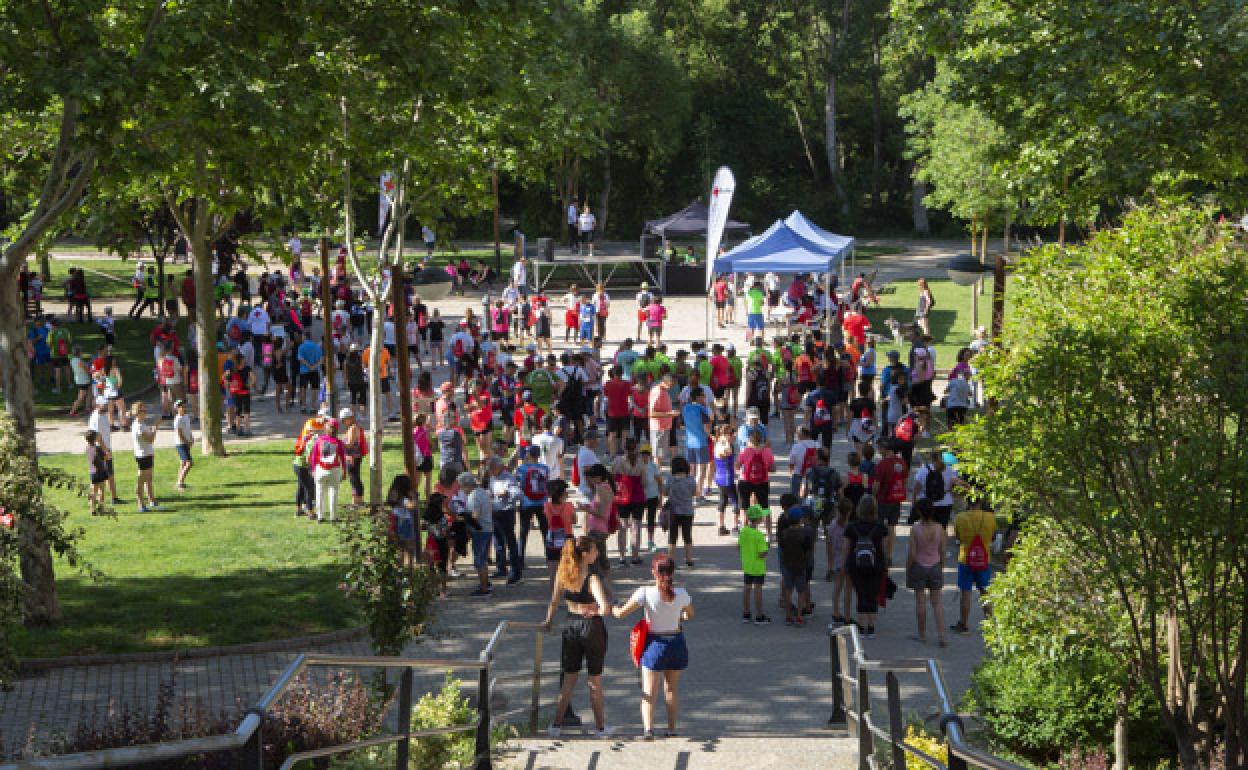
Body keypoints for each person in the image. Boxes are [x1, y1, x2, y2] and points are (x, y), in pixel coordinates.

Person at [612, 554, 694, 739]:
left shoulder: (645, 593)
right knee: (671, 689)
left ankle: (648, 729)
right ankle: (672, 728)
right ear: (673, 573)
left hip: (654, 643)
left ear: (653, 573)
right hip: (676, 642)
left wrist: (614, 607)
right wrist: (678, 617)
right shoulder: (681, 594)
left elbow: (622, 614)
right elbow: (690, 614)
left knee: (649, 690)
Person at [544, 536, 613, 738]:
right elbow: (605, 608)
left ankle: (556, 725)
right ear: (584, 554)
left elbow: (553, 602)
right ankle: (600, 727)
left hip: (571, 625)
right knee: (595, 679)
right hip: (591, 627)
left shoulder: (563, 574)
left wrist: (548, 621)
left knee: (569, 678)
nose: (597, 553)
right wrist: (596, 611)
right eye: (593, 550)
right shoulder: (592, 578)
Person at [952, 494, 996, 635]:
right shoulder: (990, 518)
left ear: (967, 502)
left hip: (966, 559)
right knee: (985, 591)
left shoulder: (960, 517)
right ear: (980, 501)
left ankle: (963, 623)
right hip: (984, 558)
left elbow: (957, 537)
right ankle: (990, 623)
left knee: (966, 591)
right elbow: (993, 536)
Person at [906, 499, 948, 646]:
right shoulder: (940, 528)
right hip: (935, 565)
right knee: (937, 603)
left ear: (919, 511)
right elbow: (943, 550)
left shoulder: (915, 528)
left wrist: (908, 567)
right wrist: (941, 565)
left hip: (919, 565)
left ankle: (922, 634)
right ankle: (942, 636)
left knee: (920, 602)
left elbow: (912, 552)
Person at [844, 495, 887, 638]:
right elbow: (884, 548)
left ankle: (861, 627)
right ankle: (871, 626)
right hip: (876, 565)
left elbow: (846, 548)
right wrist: (885, 565)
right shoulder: (880, 528)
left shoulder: (851, 527)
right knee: (872, 594)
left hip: (856, 565)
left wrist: (846, 564)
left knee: (861, 593)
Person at [777, 503, 816, 626]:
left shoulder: (784, 533)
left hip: (788, 565)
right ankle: (799, 616)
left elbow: (781, 547)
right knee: (801, 591)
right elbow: (808, 549)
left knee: (788, 590)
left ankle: (788, 616)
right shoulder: (804, 534)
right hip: (801, 566)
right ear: (800, 519)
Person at [872, 440, 909, 564]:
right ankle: (889, 555)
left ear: (885, 448)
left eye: (879, 448)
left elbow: (876, 485)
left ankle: (881, 554)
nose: (878, 451)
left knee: (881, 527)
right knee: (892, 527)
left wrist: (873, 496)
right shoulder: (902, 462)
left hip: (883, 499)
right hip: (896, 498)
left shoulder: (882, 464)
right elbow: (904, 481)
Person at [516, 445, 551, 576]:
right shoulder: (545, 468)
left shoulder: (522, 469)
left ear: (529, 455)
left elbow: (519, 484)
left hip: (526, 502)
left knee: (523, 532)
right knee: (545, 531)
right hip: (542, 503)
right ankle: (549, 557)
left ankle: (520, 559)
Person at [611, 439, 647, 565]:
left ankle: (622, 556)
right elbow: (644, 481)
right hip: (637, 496)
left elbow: (612, 476)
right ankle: (635, 556)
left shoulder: (618, 460)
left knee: (622, 526)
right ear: (636, 449)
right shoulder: (641, 462)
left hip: (622, 496)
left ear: (624, 448)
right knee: (636, 526)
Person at [460, 472, 495, 597]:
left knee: (479, 560)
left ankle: (484, 588)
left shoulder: (473, 496)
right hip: (488, 529)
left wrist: (464, 520)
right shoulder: (482, 492)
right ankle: (486, 583)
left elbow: (474, 516)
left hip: (480, 531)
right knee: (484, 558)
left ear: (466, 486)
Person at [735, 429, 775, 538]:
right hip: (762, 482)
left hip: (745, 481)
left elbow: (737, 466)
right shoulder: (767, 451)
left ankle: (745, 532)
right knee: (765, 508)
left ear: (749, 439)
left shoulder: (745, 451)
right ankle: (769, 534)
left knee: (744, 507)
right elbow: (773, 468)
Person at [739, 504, 771, 624]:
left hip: (747, 565)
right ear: (758, 519)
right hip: (758, 567)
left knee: (747, 589)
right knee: (758, 590)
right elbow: (762, 553)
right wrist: (767, 546)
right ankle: (759, 615)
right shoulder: (759, 535)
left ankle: (746, 613)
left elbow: (738, 546)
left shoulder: (743, 531)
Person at [662, 455, 697, 567]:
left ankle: (671, 560)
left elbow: (665, 493)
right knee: (687, 536)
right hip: (687, 511)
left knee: (672, 537)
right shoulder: (691, 479)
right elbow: (695, 493)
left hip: (674, 512)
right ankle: (689, 559)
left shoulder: (670, 479)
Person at [309, 418, 346, 522]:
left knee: (319, 493)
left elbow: (314, 456)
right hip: (334, 469)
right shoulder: (338, 443)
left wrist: (313, 469)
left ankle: (320, 516)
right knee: (333, 493)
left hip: (321, 469)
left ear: (327, 428)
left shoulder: (319, 440)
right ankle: (333, 516)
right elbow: (342, 457)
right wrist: (344, 470)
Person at [912, 450, 960, 528]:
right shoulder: (951, 470)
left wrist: (914, 504)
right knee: (942, 528)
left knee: (926, 528)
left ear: (932, 459)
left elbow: (916, 488)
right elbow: (954, 488)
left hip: (926, 503)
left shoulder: (923, 470)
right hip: (945, 503)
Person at [681, 388, 713, 500]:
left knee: (691, 471)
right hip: (701, 442)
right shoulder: (701, 409)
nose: (704, 398)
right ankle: (698, 495)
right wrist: (710, 434)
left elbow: (682, 424)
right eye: (703, 396)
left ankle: (690, 494)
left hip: (689, 443)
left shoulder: (685, 408)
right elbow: (707, 428)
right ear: (698, 397)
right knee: (701, 470)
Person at [130, 403, 160, 512]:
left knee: (149, 479)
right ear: (137, 413)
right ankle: (141, 504)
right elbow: (150, 439)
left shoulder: (140, 423)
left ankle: (152, 500)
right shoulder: (139, 426)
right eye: (142, 411)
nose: (145, 412)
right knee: (141, 480)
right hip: (143, 455)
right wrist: (155, 428)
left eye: (145, 410)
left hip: (146, 453)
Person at [387, 474, 421, 568]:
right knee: (409, 547)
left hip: (394, 519)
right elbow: (412, 505)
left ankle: (399, 570)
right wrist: (413, 497)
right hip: (404, 521)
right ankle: (408, 569)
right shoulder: (404, 498)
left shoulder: (394, 497)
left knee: (399, 548)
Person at [85, 430, 110, 515]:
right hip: (100, 471)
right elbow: (107, 457)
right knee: (101, 490)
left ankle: (92, 509)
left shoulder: (87, 448)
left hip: (92, 472)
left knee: (93, 491)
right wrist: (106, 450)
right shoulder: (98, 448)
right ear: (95, 438)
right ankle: (101, 508)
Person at [172, 399, 194, 490]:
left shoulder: (186, 416)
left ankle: (180, 481)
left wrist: (191, 438)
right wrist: (186, 442)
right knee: (189, 463)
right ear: (177, 408)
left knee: (183, 462)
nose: (182, 407)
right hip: (181, 443)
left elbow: (188, 429)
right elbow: (179, 433)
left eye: (183, 405)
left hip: (186, 442)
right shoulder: (178, 419)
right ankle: (180, 482)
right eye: (180, 406)